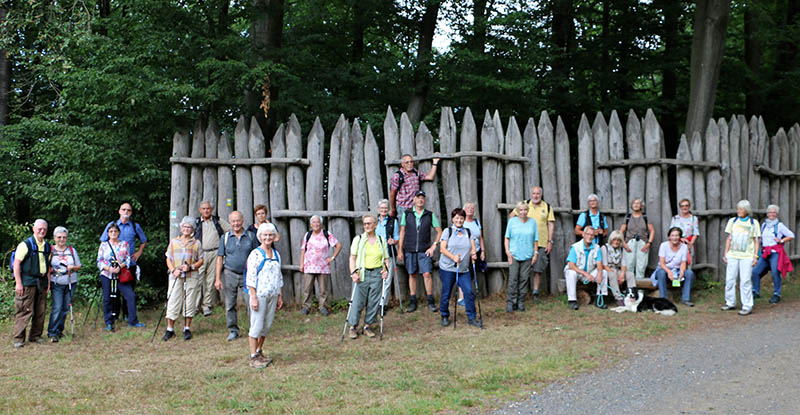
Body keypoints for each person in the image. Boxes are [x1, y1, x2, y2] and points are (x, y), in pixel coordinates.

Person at [99, 202, 146, 326]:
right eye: (123, 209)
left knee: (129, 294)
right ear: (119, 211)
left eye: (128, 210)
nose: (126, 212)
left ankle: (129, 318)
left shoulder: (134, 227)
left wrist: (138, 253)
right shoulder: (110, 227)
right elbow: (100, 257)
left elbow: (143, 241)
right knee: (110, 296)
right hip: (108, 272)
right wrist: (109, 268)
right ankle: (112, 319)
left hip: (126, 268)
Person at [215, 211, 259, 341]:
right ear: (230, 222)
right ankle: (233, 330)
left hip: (248, 276)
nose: (236, 224)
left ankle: (254, 329)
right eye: (233, 221)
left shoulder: (251, 236)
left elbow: (257, 256)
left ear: (242, 221)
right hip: (230, 274)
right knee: (230, 304)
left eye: (238, 221)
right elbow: (219, 258)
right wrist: (218, 278)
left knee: (251, 303)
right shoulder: (225, 237)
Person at [398, 190, 443, 313]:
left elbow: (439, 231)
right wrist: (400, 250)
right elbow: (402, 232)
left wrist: (434, 246)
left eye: (423, 198)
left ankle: (430, 301)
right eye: (418, 197)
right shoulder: (407, 214)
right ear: (414, 200)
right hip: (410, 249)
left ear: (425, 200)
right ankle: (413, 302)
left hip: (424, 250)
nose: (420, 200)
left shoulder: (429, 214)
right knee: (412, 274)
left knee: (427, 274)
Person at [246, 223, 284, 368]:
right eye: (265, 235)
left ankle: (259, 350)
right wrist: (253, 296)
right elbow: (251, 277)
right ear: (260, 236)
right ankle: (253, 356)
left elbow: (278, 276)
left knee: (266, 326)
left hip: (273, 295)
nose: (268, 237)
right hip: (260, 295)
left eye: (270, 235)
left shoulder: (276, 254)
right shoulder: (255, 254)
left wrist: (280, 295)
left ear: (274, 237)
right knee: (256, 325)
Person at [346, 214, 390, 339]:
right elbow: (352, 258)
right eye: (365, 223)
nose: (367, 226)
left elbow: (386, 259)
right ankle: (353, 327)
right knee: (357, 302)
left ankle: (367, 326)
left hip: (377, 274)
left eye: (369, 223)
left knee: (373, 302)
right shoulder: (358, 239)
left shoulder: (381, 240)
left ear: (375, 225)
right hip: (362, 274)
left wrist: (386, 270)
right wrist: (353, 272)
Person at [11, 219, 52, 349]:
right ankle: (19, 339)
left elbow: (48, 267)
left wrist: (48, 283)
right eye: (39, 228)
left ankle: (35, 336)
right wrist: (18, 283)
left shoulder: (47, 246)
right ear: (34, 228)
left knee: (40, 310)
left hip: (42, 282)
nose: (42, 231)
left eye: (44, 229)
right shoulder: (25, 245)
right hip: (27, 282)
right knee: (24, 310)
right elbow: (16, 264)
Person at [162, 217, 204, 341]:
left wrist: (191, 267)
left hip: (191, 276)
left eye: (189, 227)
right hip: (175, 276)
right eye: (184, 227)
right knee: (173, 300)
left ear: (192, 230)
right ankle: (170, 329)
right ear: (181, 228)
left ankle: (187, 328)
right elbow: (168, 258)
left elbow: (201, 260)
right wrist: (173, 270)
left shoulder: (196, 243)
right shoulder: (174, 241)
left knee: (189, 302)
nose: (186, 229)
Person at [510, 186, 555, 300]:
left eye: (538, 193)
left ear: (541, 194)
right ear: (531, 194)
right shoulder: (525, 205)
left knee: (538, 269)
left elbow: (550, 224)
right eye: (534, 193)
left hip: (541, 242)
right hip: (524, 243)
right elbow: (512, 216)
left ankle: (535, 292)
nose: (536, 196)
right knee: (521, 269)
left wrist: (550, 241)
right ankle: (519, 294)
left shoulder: (547, 207)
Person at [438, 208, 481, 328]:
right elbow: (442, 249)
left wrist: (473, 254)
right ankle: (445, 315)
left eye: (461, 218)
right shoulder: (448, 231)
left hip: (463, 269)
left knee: (468, 292)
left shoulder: (468, 231)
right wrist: (453, 257)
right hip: (448, 268)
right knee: (446, 292)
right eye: (457, 218)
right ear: (452, 219)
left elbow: (472, 247)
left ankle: (471, 317)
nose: (459, 220)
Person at [721, 200, 760, 316]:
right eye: (738, 209)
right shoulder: (732, 221)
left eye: (741, 209)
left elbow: (756, 240)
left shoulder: (753, 223)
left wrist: (755, 256)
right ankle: (730, 302)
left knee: (745, 280)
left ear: (747, 210)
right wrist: (725, 253)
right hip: (733, 255)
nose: (739, 211)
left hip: (747, 256)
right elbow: (729, 238)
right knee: (730, 279)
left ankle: (747, 305)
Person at [299, 215, 342, 316]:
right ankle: (306, 307)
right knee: (307, 289)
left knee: (323, 289)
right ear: (311, 224)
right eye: (313, 222)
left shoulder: (327, 234)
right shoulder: (308, 235)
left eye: (318, 222)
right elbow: (303, 250)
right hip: (309, 266)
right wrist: (301, 264)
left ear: (321, 223)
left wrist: (332, 257)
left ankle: (323, 307)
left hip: (323, 267)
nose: (316, 224)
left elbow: (338, 245)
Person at [193, 201, 231, 316]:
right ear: (200, 210)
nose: (206, 211)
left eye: (208, 208)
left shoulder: (217, 221)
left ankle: (206, 306)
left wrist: (224, 244)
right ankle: (194, 306)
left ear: (212, 209)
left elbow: (230, 230)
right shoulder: (196, 222)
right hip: (200, 254)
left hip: (215, 253)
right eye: (204, 209)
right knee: (197, 280)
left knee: (211, 281)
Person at [752, 204, 795, 304]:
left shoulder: (779, 225)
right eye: (770, 212)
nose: (772, 214)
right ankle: (755, 292)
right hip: (765, 253)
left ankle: (777, 294)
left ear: (777, 214)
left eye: (774, 212)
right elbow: (760, 238)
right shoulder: (763, 225)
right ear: (767, 214)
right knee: (755, 271)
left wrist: (781, 240)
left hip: (775, 253)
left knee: (775, 272)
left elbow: (791, 235)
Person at [96, 223, 134, 332]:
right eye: (111, 231)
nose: (113, 233)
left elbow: (127, 259)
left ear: (118, 233)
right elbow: (99, 261)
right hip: (107, 274)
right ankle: (109, 322)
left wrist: (119, 267)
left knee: (129, 295)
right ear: (108, 233)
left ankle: (132, 320)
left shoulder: (124, 244)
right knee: (107, 298)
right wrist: (109, 268)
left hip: (121, 274)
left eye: (115, 231)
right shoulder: (103, 245)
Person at [47, 226, 82, 342]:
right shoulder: (51, 250)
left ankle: (59, 331)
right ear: (54, 238)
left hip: (71, 282)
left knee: (65, 308)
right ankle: (52, 332)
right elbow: (46, 267)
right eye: (59, 237)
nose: (62, 239)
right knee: (57, 307)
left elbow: (79, 266)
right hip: (56, 283)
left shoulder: (71, 250)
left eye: (64, 237)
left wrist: (72, 267)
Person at [504, 202, 539, 313]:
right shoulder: (512, 222)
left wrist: (535, 254)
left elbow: (536, 240)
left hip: (528, 255)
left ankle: (520, 302)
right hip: (514, 255)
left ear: (527, 210)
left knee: (524, 279)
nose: (523, 212)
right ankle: (511, 302)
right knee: (513, 279)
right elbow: (507, 238)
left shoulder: (532, 222)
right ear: (517, 211)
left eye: (525, 210)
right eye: (521, 210)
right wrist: (508, 253)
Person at [651, 227, 695, 307]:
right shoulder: (664, 245)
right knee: (661, 273)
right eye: (672, 235)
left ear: (680, 237)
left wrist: (682, 272)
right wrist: (669, 271)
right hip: (664, 269)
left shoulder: (684, 247)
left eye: (677, 235)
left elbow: (683, 262)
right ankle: (663, 299)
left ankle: (686, 299)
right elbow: (662, 263)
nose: (674, 238)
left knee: (689, 273)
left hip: (677, 270)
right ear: (669, 237)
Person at [564, 226, 605, 310]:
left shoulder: (597, 248)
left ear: (594, 237)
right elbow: (571, 265)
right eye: (588, 234)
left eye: (592, 235)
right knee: (571, 272)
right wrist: (585, 274)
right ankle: (572, 301)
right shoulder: (575, 247)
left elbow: (599, 264)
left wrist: (599, 274)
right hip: (578, 272)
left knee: (604, 272)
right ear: (583, 234)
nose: (590, 237)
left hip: (590, 273)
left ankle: (600, 299)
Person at [389, 154, 440, 218]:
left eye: (411, 162)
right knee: (403, 227)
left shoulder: (416, 173)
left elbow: (430, 177)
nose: (409, 164)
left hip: (415, 208)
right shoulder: (397, 176)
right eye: (407, 162)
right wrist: (393, 209)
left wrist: (435, 163)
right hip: (403, 208)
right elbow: (392, 194)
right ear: (402, 164)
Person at [620, 198, 655, 279]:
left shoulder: (645, 217)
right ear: (631, 205)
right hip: (630, 243)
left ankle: (640, 289)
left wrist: (649, 243)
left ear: (641, 206)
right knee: (629, 265)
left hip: (643, 243)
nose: (636, 205)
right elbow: (621, 231)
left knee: (641, 266)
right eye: (634, 203)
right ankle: (630, 288)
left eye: (638, 203)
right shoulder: (628, 217)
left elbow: (652, 230)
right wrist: (624, 244)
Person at [460, 202, 486, 306]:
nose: (470, 209)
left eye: (472, 208)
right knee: (464, 274)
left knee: (474, 274)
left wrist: (483, 251)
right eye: (468, 208)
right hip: (466, 253)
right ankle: (461, 298)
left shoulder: (476, 221)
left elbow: (480, 237)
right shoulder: (461, 221)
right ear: (464, 209)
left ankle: (470, 296)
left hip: (477, 251)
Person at [602, 231, 635, 307]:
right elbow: (604, 265)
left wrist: (622, 275)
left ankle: (631, 296)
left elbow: (623, 264)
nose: (616, 242)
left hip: (616, 269)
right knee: (613, 274)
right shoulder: (605, 248)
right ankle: (619, 298)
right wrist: (617, 276)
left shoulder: (621, 249)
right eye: (614, 239)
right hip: (607, 270)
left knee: (630, 275)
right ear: (611, 239)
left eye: (618, 240)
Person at [669, 199, 699, 265]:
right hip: (677, 243)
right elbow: (671, 232)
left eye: (686, 205)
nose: (684, 207)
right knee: (676, 263)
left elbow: (696, 233)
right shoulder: (675, 218)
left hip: (689, 243)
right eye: (682, 206)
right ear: (680, 207)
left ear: (689, 206)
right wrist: (680, 239)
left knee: (688, 263)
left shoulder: (694, 218)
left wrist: (690, 244)